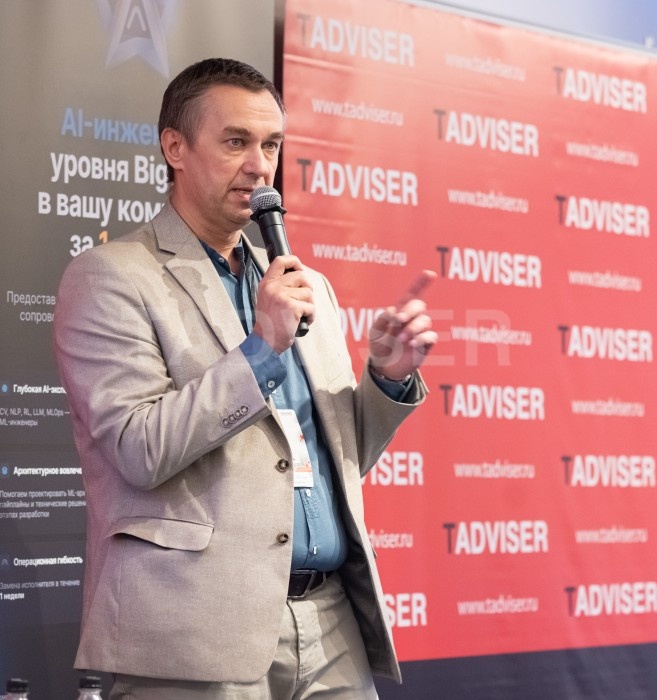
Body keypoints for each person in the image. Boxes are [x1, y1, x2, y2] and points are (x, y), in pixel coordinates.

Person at [53, 57, 437, 700]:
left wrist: (387, 380)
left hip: (332, 624)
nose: (260, 166)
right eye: (236, 142)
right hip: (194, 629)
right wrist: (262, 350)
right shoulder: (112, 277)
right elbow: (139, 449)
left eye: (272, 145)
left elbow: (334, 462)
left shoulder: (304, 286)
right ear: (175, 148)